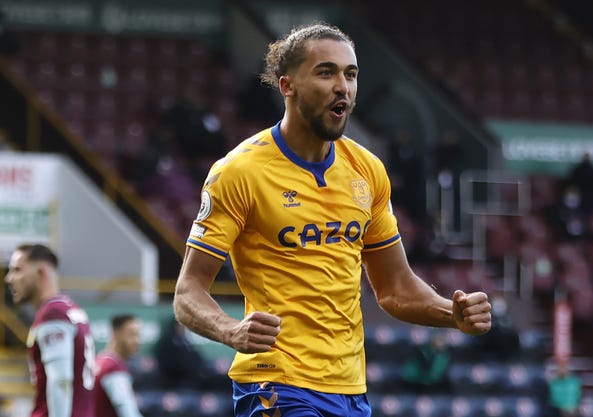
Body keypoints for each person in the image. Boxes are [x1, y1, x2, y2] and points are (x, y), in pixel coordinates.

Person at [173, 22, 492, 417]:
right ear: (287, 85)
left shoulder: (367, 170)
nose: (343, 86)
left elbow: (394, 288)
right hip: (276, 383)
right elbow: (188, 292)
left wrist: (452, 314)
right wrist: (230, 330)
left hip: (350, 389)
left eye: (351, 74)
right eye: (326, 72)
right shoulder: (239, 172)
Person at [4, 243, 95, 417]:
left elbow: (60, 381)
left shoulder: (53, 314)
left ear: (41, 272)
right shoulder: (69, 309)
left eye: (17, 270)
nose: (9, 278)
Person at [94, 314, 143, 417]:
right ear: (116, 334)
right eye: (131, 335)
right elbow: (128, 412)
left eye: (138, 335)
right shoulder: (113, 368)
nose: (137, 341)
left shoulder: (100, 360)